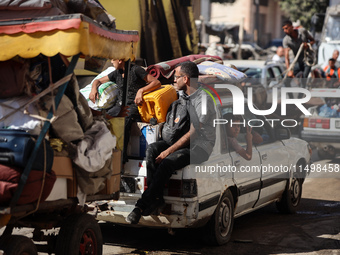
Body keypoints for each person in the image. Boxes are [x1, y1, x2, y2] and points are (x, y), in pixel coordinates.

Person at [126, 61, 216, 224]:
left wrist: (168, 151)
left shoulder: (203, 100)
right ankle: (157, 198)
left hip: (198, 147)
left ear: (186, 79)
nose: (174, 80)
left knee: (167, 162)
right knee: (152, 150)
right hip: (179, 143)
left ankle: (141, 205)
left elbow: (194, 133)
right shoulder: (182, 97)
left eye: (176, 77)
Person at [89, 59, 161, 163]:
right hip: (118, 106)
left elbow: (156, 82)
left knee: (123, 124)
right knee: (103, 120)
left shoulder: (136, 70)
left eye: (113, 59)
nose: (111, 61)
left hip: (133, 106)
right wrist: (93, 89)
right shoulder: (117, 73)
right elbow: (98, 80)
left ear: (120, 60)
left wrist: (141, 90)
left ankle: (121, 158)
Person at [282, 20, 315, 98]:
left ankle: (299, 99)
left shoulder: (302, 32)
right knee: (286, 80)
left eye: (286, 28)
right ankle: (291, 99)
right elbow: (286, 56)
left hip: (307, 59)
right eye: (283, 29)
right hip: (298, 61)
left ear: (292, 27)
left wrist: (308, 44)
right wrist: (289, 70)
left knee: (304, 78)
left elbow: (313, 40)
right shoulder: (286, 40)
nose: (285, 31)